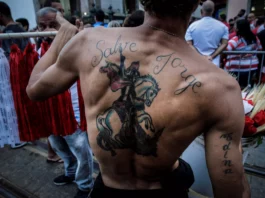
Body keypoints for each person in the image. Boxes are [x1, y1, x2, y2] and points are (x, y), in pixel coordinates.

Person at [27, 0, 250, 197]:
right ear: (196, 3)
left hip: (108, 189)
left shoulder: (87, 42)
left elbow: (34, 88)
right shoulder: (221, 87)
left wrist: (61, 40)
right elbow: (231, 189)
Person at [36, 7, 94, 198]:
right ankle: (70, 173)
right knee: (59, 146)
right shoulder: (36, 45)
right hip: (50, 111)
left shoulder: (75, 45)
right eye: (42, 26)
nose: (47, 31)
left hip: (73, 113)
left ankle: (85, 185)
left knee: (81, 151)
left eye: (53, 25)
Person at [185, 0, 229, 67]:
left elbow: (188, 44)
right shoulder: (223, 27)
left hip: (197, 62)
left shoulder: (192, 26)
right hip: (213, 62)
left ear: (201, 10)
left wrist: (201, 57)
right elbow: (224, 44)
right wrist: (211, 56)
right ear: (213, 10)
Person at [225, 19, 262, 88]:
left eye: (235, 26)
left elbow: (226, 50)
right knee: (247, 87)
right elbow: (260, 49)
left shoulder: (236, 39)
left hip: (236, 68)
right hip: (252, 67)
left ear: (238, 29)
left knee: (235, 88)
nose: (234, 28)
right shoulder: (255, 38)